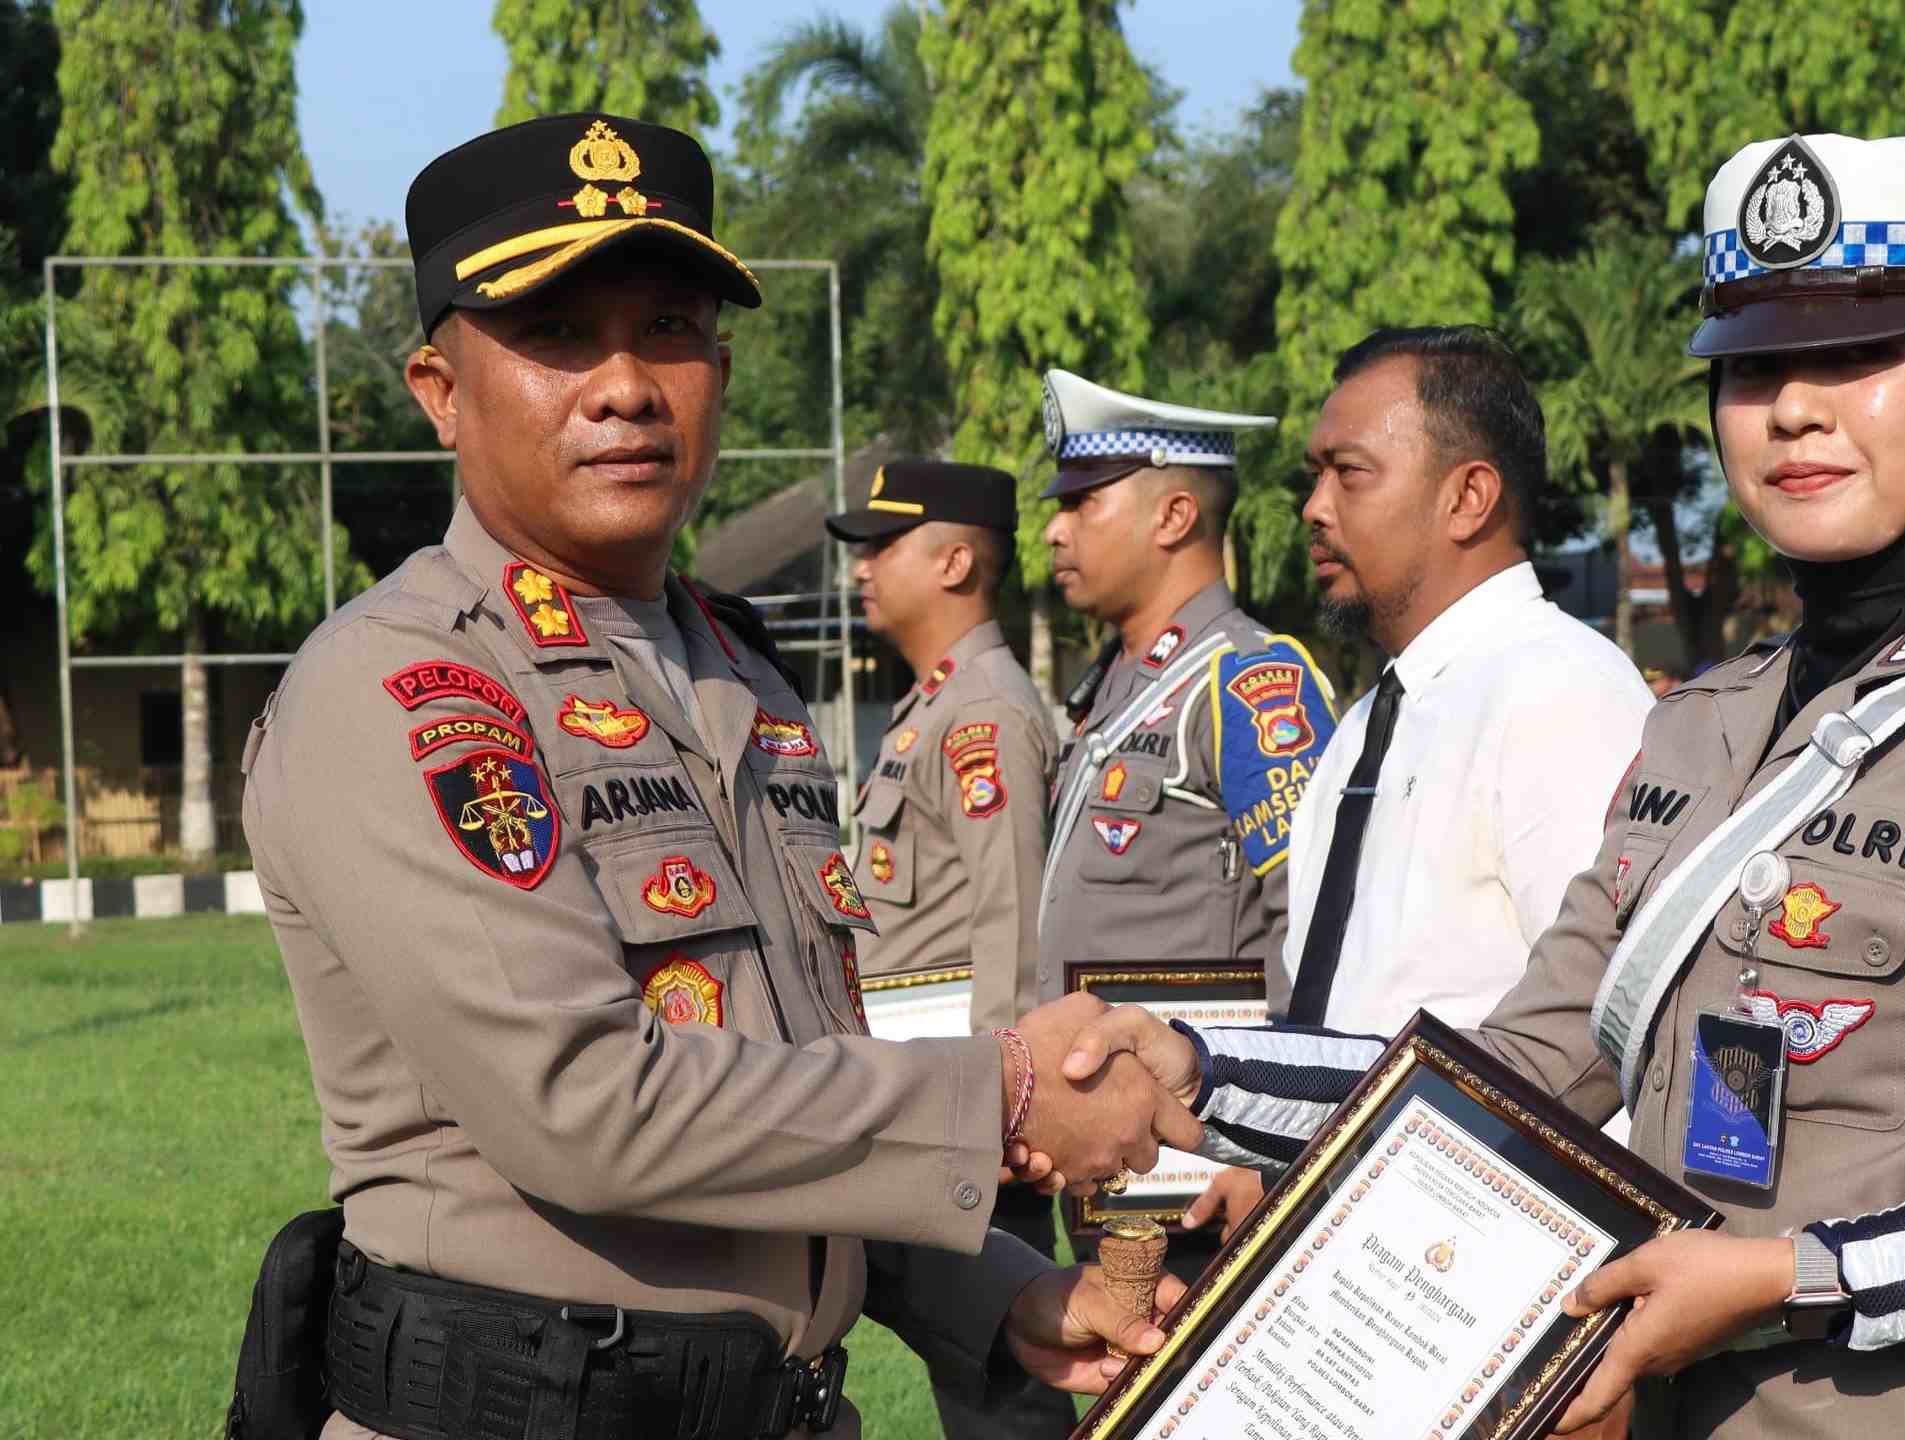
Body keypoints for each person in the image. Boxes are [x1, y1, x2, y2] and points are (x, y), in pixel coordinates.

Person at [1063, 132, 1905, 1440]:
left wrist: (1798, 1277)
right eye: (1755, 364)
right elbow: (1525, 1066)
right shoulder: (1704, 720)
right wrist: (1201, 1062)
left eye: (1859, 357)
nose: (1794, 409)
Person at [239, 114, 1195, 1440]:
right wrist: (1005, 1096)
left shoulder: (740, 673)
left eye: (669, 331)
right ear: (439, 389)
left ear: (722, 372)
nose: (626, 384)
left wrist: (997, 1296)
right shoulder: (407, 687)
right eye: (560, 335)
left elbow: (802, 1071)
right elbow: (585, 1105)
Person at [1180, 325, 1656, 1240]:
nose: (1314, 507)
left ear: (1468, 497)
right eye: (1313, 477)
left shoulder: (1561, 692)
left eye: (1349, 474)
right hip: (1357, 1238)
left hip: (1482, 1254)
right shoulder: (1371, 718)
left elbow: (1614, 1041)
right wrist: (1286, 1161)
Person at [1032, 367, 1341, 1281]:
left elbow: (1312, 927)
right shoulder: (1118, 682)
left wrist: (1277, 1152)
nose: (1054, 527)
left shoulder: (1248, 681)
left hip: (1207, 1165)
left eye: (1084, 503)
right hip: (1115, 1154)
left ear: (1172, 517)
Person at [825, 460, 1073, 1440]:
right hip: (926, 1092)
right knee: (971, 1370)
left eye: (883, 547)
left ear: (958, 560)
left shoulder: (983, 715)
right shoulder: (934, 705)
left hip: (971, 1108)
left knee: (1000, 1390)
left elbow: (1007, 924)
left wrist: (1004, 1104)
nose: (862, 569)